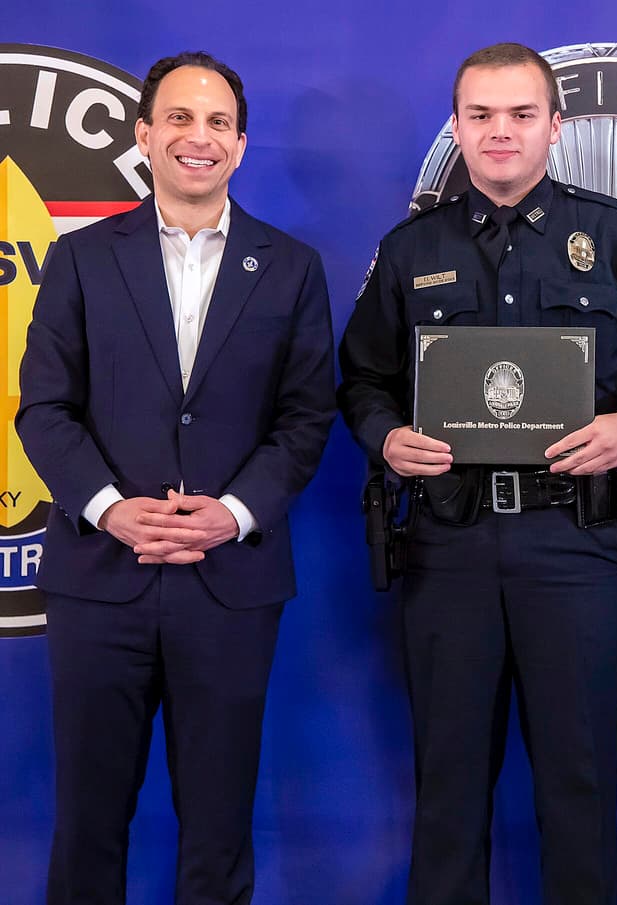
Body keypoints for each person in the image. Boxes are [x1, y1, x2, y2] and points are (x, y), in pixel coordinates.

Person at [338, 42, 617, 905]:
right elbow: (360, 379)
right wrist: (388, 438)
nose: (500, 132)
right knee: (448, 793)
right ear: (457, 127)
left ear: (555, 126)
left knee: (578, 788)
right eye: (480, 115)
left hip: (572, 541)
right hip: (448, 543)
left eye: (520, 113)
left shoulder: (612, 236)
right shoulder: (410, 248)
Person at [16, 51, 335, 904]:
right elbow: (43, 410)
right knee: (88, 825)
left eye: (220, 123)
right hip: (99, 579)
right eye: (183, 120)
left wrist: (233, 512)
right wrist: (111, 509)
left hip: (230, 583)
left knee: (219, 827)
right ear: (145, 135)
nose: (201, 138)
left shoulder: (293, 267)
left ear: (241, 144)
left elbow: (307, 419)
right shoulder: (81, 259)